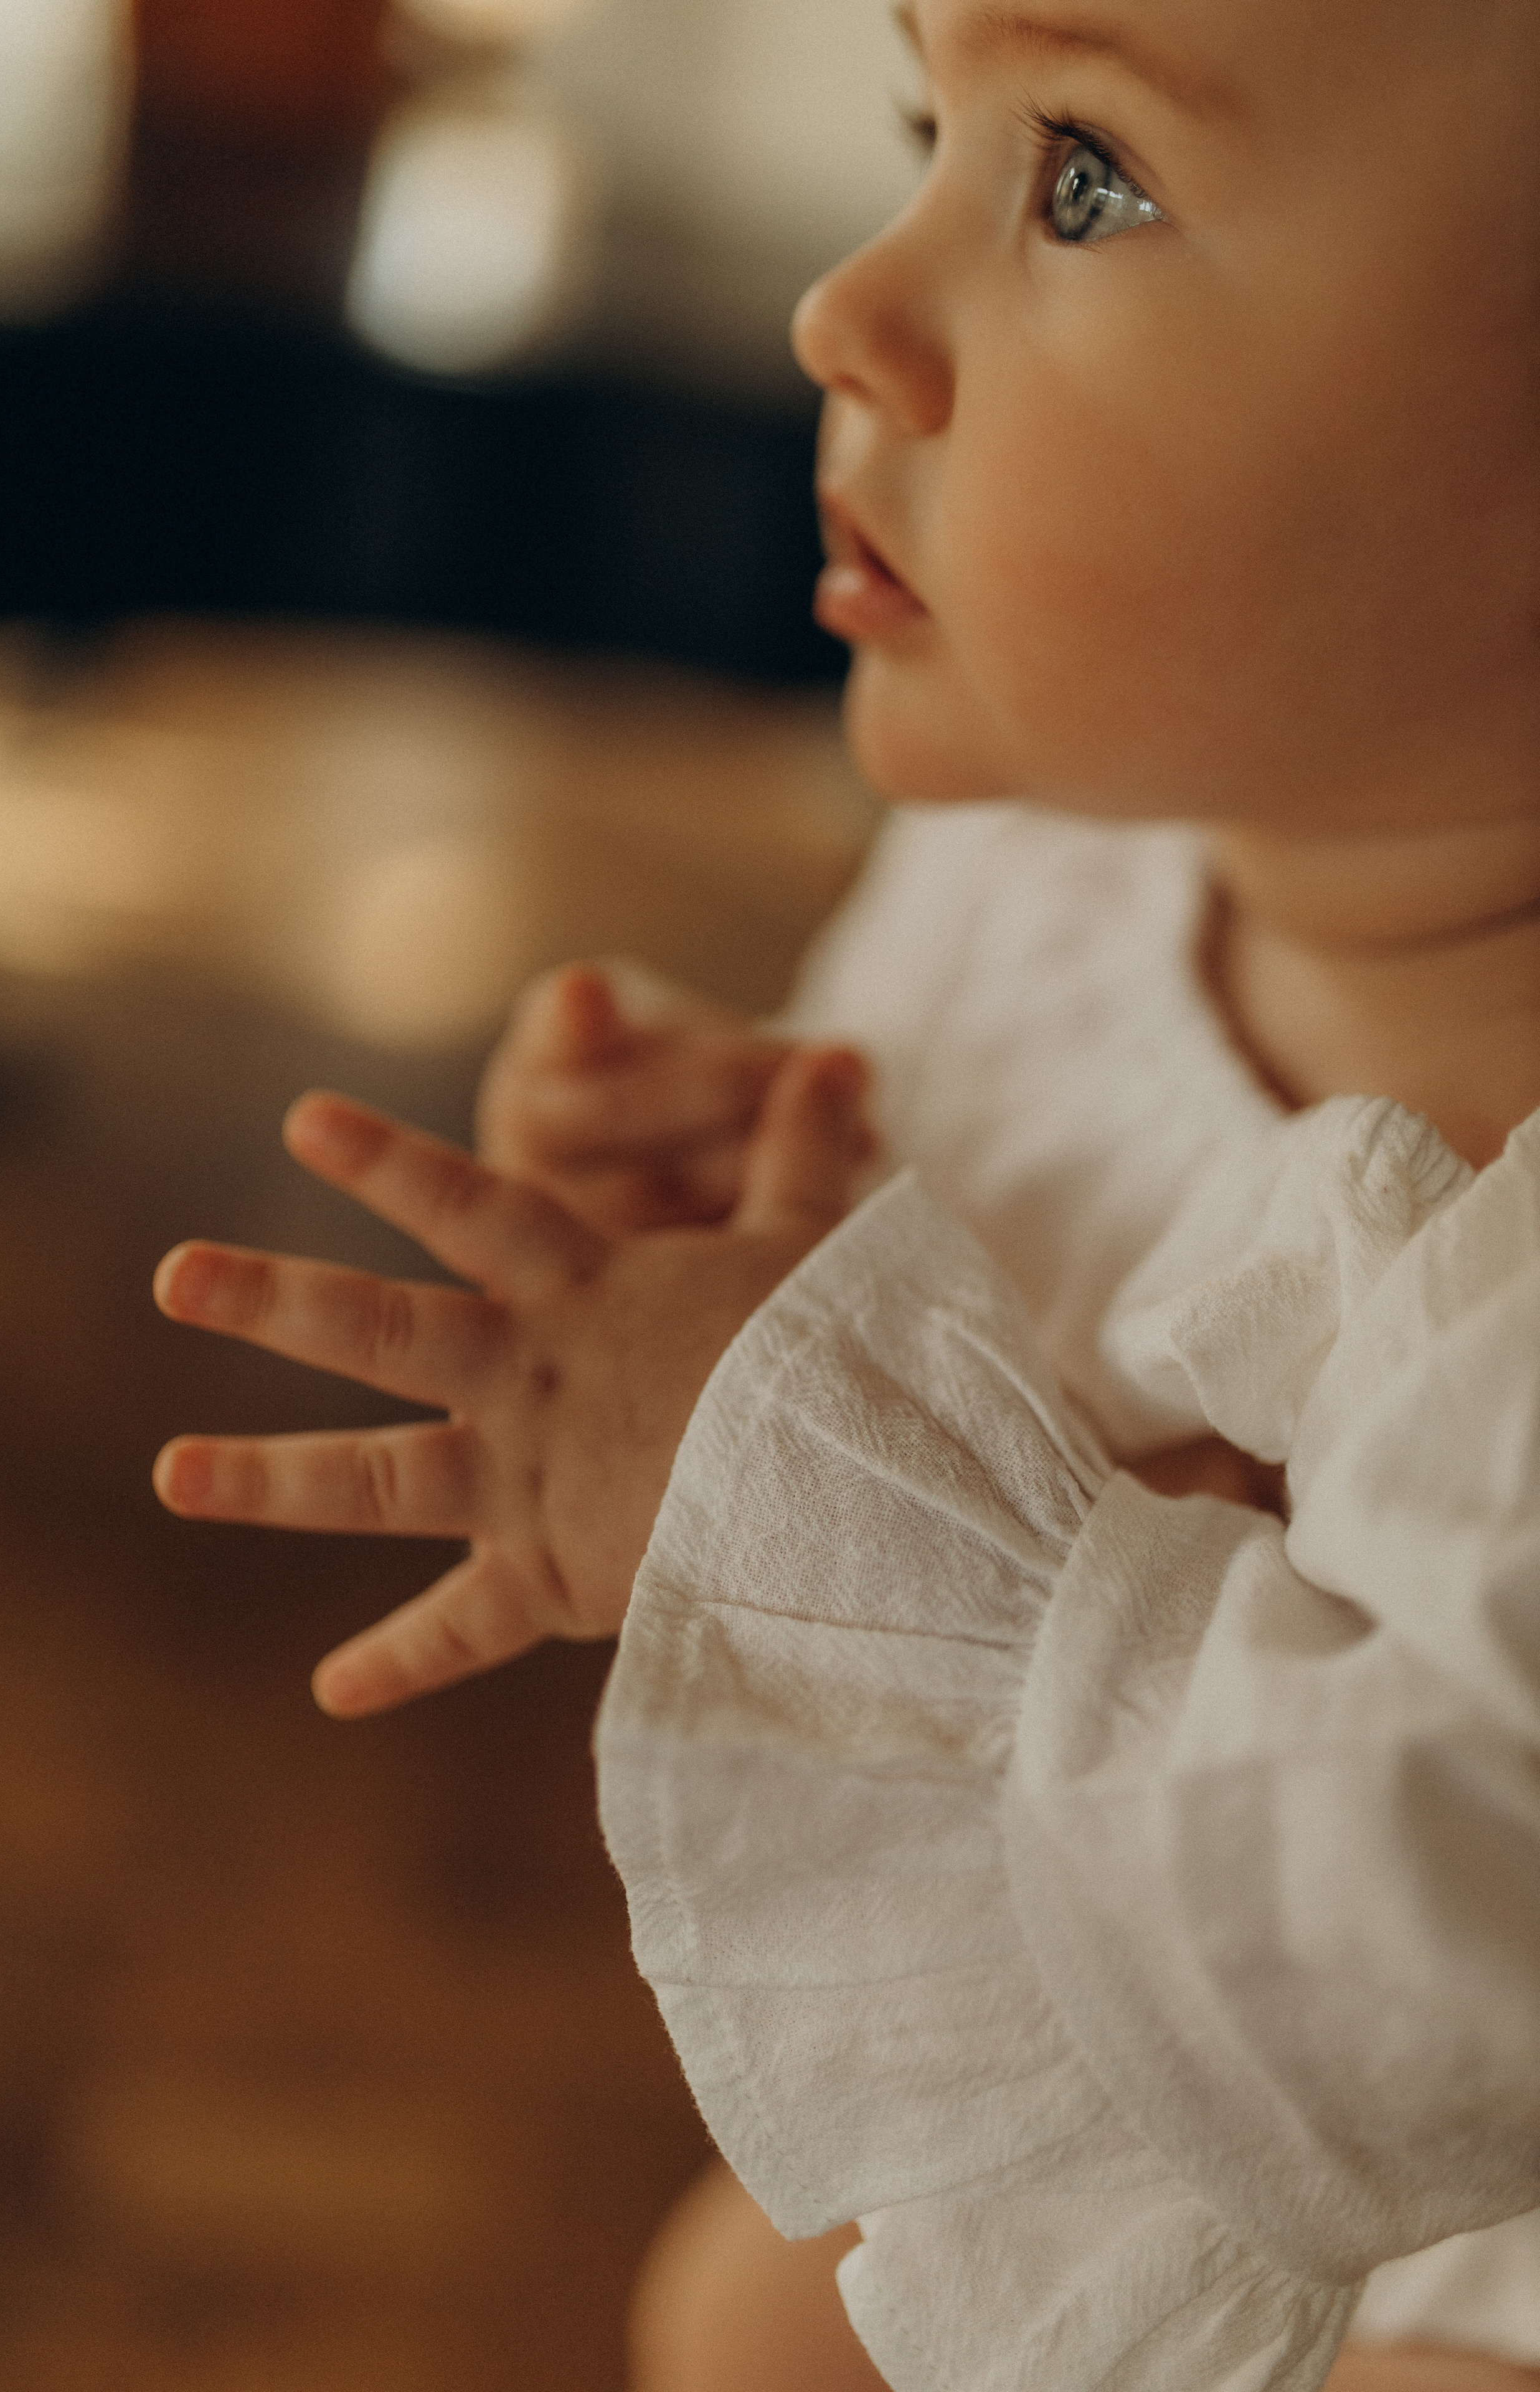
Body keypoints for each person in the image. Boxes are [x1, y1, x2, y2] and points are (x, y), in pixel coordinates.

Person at [150, 0, 1540, 2385]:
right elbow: (1010, 1592)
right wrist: (784, 1303)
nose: (844, 307)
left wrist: (820, 1471)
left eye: (1083, 176)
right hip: (1144, 2069)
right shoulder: (1033, 883)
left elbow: (1448, 1893)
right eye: (927, 124)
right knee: (747, 2317)